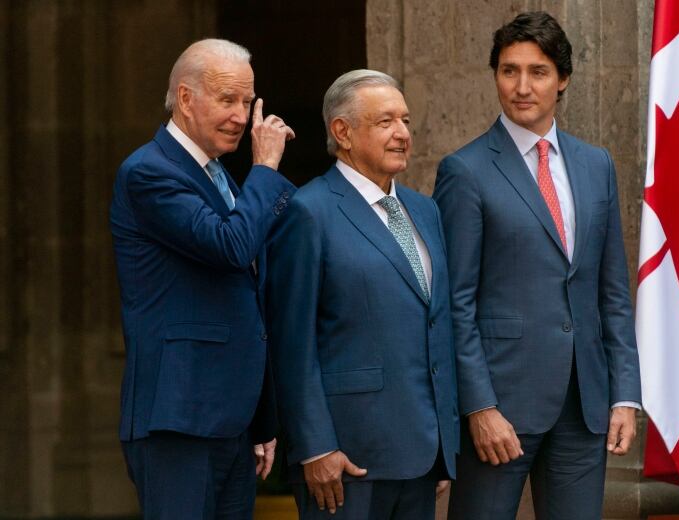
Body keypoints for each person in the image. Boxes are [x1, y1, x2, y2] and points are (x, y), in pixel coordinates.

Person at [433, 12, 641, 519]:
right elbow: (453, 303)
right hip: (500, 409)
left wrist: (624, 395)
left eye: (538, 71)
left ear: (562, 79)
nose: (521, 86)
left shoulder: (596, 164)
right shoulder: (465, 171)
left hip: (583, 403)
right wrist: (479, 407)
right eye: (509, 71)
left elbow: (611, 290)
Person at [110, 38, 295, 519]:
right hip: (178, 420)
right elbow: (231, 247)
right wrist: (267, 166)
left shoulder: (220, 178)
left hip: (230, 423)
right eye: (228, 100)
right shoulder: (148, 172)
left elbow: (250, 292)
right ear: (187, 99)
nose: (241, 115)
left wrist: (261, 421)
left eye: (247, 101)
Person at [266, 69, 458, 519]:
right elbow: (291, 341)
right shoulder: (307, 212)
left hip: (421, 456)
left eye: (406, 121)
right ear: (343, 132)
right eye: (386, 122)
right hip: (345, 461)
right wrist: (314, 447)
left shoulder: (424, 210)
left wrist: (443, 443)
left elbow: (436, 323)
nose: (403, 134)